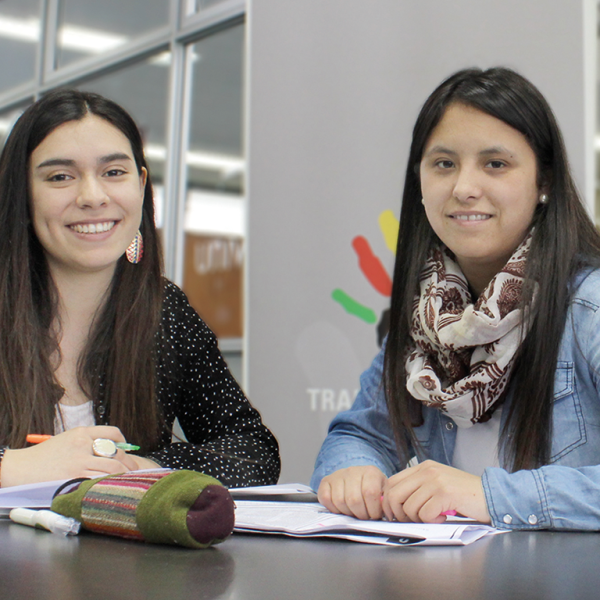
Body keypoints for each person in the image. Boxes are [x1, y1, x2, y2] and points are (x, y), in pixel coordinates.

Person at [311, 67, 600, 531]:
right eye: (444, 164)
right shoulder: (428, 315)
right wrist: (353, 470)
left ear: (544, 181)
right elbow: (359, 434)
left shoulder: (590, 306)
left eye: (495, 164)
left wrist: (488, 495)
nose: (464, 188)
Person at [0, 89, 280, 488]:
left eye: (114, 172)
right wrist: (11, 465)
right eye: (60, 177)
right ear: (23, 195)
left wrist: (142, 466)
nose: (93, 197)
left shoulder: (164, 311)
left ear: (142, 184)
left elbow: (254, 452)